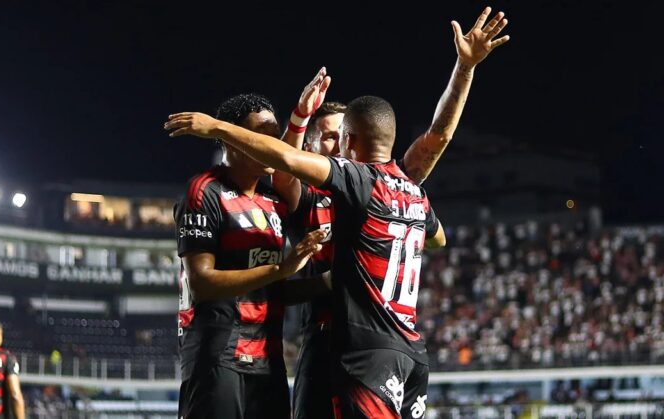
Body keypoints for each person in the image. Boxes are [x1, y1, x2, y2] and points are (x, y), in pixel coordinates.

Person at [165, 8, 510, 417]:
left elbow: (434, 141)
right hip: (336, 342)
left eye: (339, 136)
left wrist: (220, 127)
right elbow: (287, 164)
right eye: (326, 137)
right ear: (311, 147)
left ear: (352, 140)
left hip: (362, 346)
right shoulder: (324, 193)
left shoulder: (359, 182)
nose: (333, 146)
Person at [174, 92, 327, 419]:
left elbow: (276, 290)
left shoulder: (276, 201)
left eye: (275, 135)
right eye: (261, 134)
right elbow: (202, 283)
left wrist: (330, 282)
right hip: (216, 356)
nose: (270, 143)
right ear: (232, 140)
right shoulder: (204, 190)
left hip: (268, 361)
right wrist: (281, 268)